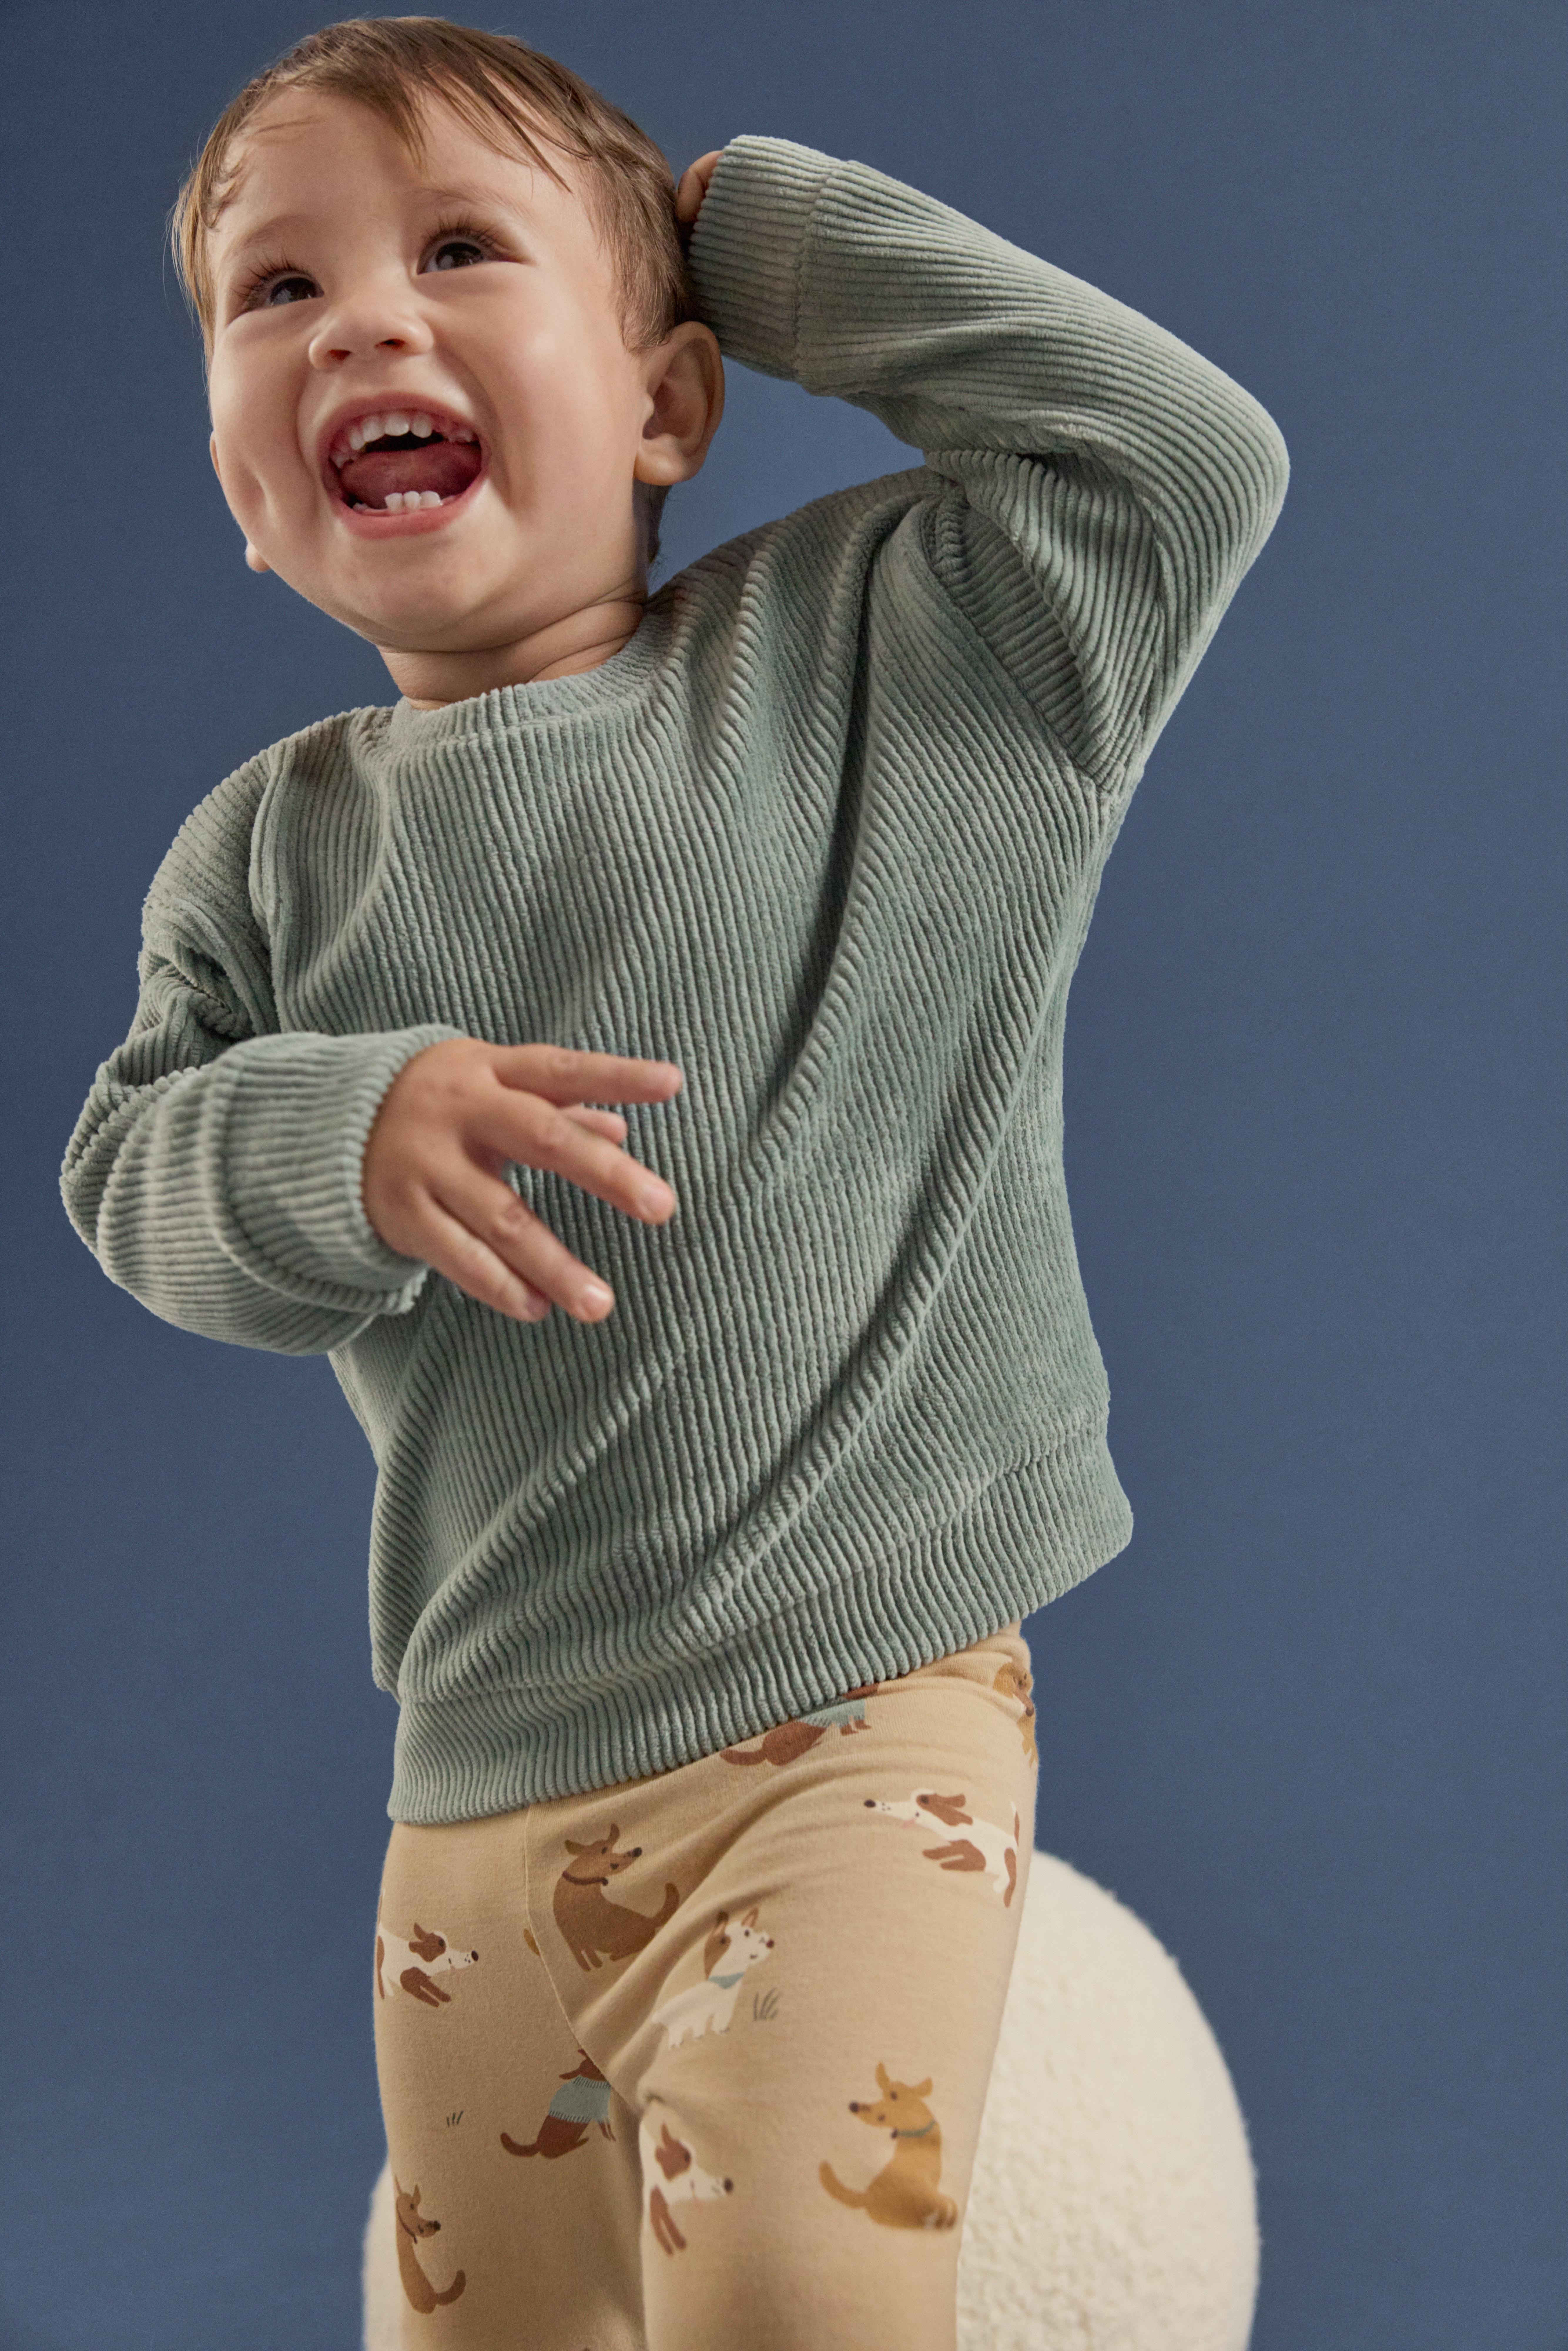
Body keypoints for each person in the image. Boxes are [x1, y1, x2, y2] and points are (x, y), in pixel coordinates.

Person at [61, 17, 1288, 2348]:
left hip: (850, 1711)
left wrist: (765, 239)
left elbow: (1178, 462)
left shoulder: (896, 669)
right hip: (478, 1790)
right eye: (275, 293)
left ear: (665, 406)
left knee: (802, 2289)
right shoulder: (263, 859)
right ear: (238, 480)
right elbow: (131, 1185)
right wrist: (341, 1122)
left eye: (456, 251)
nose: (368, 323)